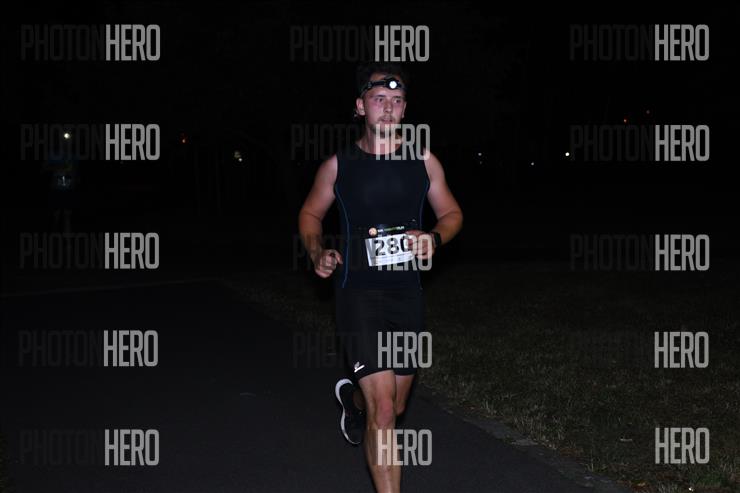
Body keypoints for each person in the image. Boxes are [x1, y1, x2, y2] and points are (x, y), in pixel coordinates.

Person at [297, 62, 463, 493]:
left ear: (405, 109)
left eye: (396, 100)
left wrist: (434, 238)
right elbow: (311, 213)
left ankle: (353, 400)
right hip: (358, 293)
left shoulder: (423, 160)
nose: (388, 108)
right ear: (360, 106)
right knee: (385, 411)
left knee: (397, 403)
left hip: (406, 293)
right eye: (378, 100)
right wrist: (317, 252)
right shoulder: (339, 165)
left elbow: (451, 213)